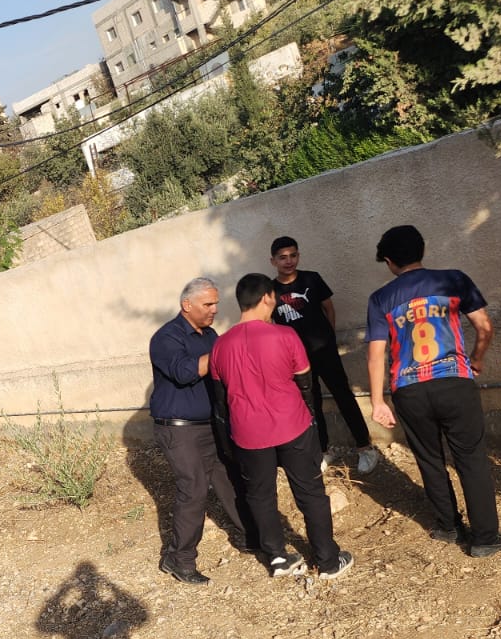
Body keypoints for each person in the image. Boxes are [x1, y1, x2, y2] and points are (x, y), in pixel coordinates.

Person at [366, 225, 501, 557]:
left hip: (409, 390)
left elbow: (375, 355)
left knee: (429, 459)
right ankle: (485, 538)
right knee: (471, 458)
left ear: (389, 261)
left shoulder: (380, 299)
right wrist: (476, 358)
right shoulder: (454, 279)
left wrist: (377, 401)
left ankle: (448, 527)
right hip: (453, 381)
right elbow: (484, 326)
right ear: (422, 249)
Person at [212, 274, 354, 580]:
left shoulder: (220, 346)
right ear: (267, 298)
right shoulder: (285, 335)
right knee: (310, 493)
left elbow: (220, 401)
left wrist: (227, 442)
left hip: (248, 434)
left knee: (260, 496)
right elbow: (305, 382)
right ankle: (328, 561)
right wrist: (311, 419)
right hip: (293, 425)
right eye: (274, 298)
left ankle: (277, 558)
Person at [148, 277, 257, 585]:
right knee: (194, 488)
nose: (214, 309)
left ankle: (251, 536)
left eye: (216, 303)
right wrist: (226, 349)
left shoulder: (209, 335)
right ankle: (178, 559)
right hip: (179, 430)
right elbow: (185, 373)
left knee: (229, 479)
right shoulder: (166, 337)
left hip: (211, 424)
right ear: (187, 305)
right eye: (208, 304)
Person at [270, 236, 379, 474]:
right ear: (273, 261)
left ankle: (365, 446)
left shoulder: (311, 278)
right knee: (312, 403)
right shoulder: (270, 291)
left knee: (343, 396)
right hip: (297, 359)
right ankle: (323, 449)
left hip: (324, 351)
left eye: (293, 255)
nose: (289, 261)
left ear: (298, 256)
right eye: (283, 257)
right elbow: (272, 323)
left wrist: (328, 336)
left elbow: (328, 307)